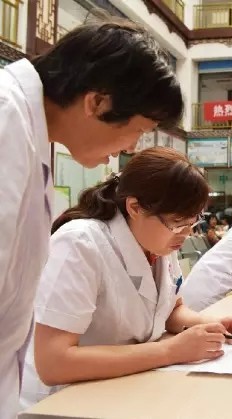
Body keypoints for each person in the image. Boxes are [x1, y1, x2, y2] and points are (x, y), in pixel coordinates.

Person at [0, 17, 183, 417]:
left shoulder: (32, 135)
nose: (131, 147)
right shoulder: (6, 117)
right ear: (98, 103)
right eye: (139, 130)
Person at [19, 148, 232, 408]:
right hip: (60, 400)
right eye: (177, 222)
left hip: (123, 388)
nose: (185, 234)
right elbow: (54, 363)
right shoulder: (80, 244)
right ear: (134, 207)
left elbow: (170, 310)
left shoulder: (158, 242)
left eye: (192, 223)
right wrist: (170, 351)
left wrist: (210, 324)